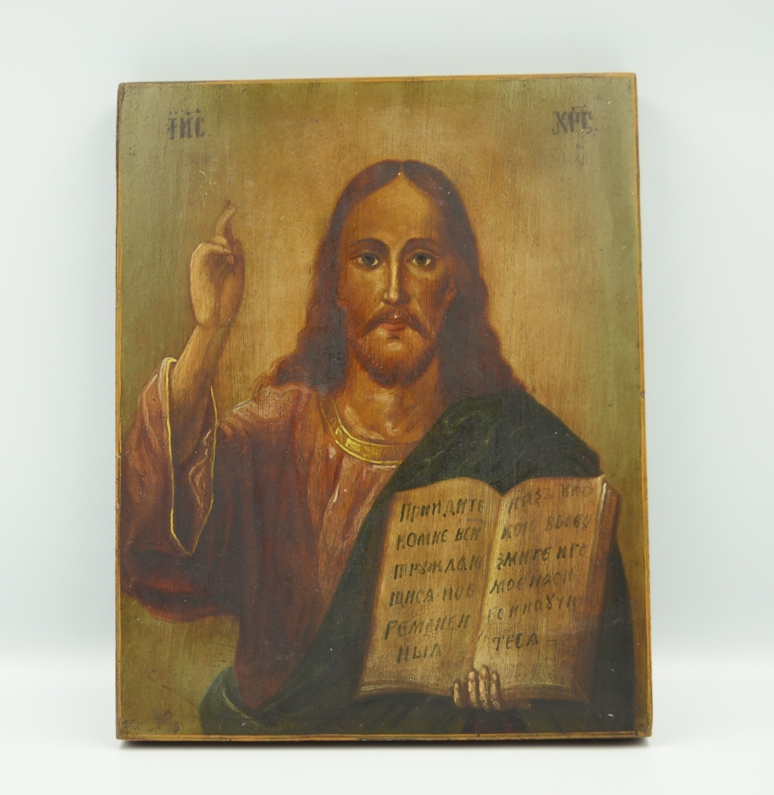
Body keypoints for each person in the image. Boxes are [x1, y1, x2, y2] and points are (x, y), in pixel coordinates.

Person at [119, 160, 634, 735]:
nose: (394, 291)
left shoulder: (507, 447)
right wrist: (210, 331)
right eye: (368, 259)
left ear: (453, 284)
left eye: (422, 259)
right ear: (336, 285)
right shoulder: (279, 432)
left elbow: (580, 670)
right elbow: (158, 529)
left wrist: (510, 693)